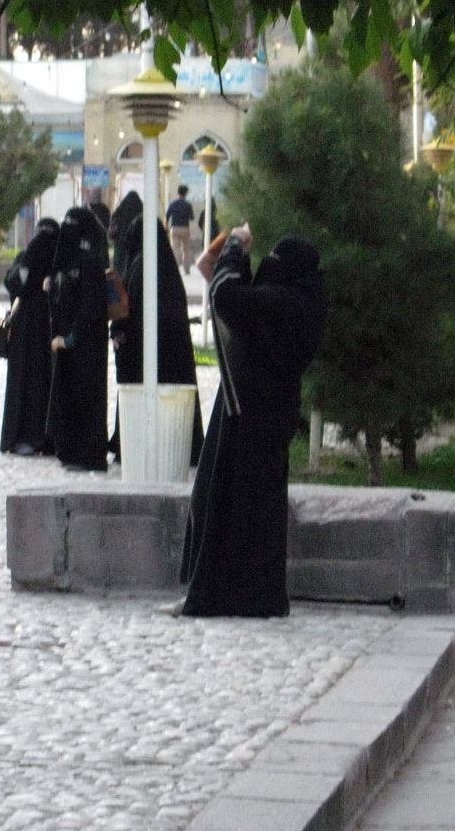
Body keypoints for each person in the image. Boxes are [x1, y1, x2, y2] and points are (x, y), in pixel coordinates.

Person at [179, 225, 326, 618]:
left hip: (251, 417)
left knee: (237, 507)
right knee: (253, 509)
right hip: (264, 415)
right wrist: (233, 260)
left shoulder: (282, 304)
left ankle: (227, 593)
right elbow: (230, 289)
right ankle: (254, 594)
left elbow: (226, 295)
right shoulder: (300, 301)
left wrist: (233, 247)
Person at [109, 215, 204, 464]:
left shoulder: (141, 264)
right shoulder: (167, 265)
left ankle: (137, 443)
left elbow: (132, 308)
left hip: (144, 350)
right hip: (173, 350)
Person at [46, 207, 109, 471]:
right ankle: (69, 450)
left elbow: (90, 308)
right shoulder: (67, 262)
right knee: (67, 397)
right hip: (67, 348)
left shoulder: (90, 263)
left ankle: (87, 454)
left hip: (86, 347)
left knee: (86, 399)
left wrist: (70, 339)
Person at [0, 218, 60, 456]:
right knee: (31, 383)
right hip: (31, 331)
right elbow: (14, 283)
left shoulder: (57, 261)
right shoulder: (29, 258)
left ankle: (42, 436)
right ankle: (28, 436)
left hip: (43, 330)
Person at [108, 190, 142, 277]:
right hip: (137, 253)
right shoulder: (141, 215)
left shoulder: (118, 213)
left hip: (120, 250)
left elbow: (111, 235)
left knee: (119, 276)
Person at [165, 184, 194, 275]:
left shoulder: (173, 204)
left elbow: (167, 217)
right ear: (185, 194)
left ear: (178, 193)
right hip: (185, 228)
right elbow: (192, 217)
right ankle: (187, 270)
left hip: (175, 229)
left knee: (175, 249)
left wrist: (166, 227)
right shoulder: (188, 205)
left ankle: (175, 269)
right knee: (186, 250)